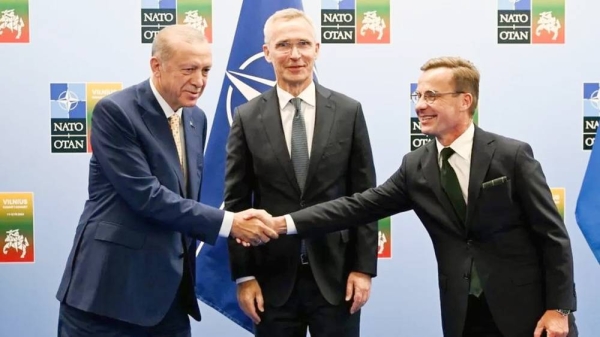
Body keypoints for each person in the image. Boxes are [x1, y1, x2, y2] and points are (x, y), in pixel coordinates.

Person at [257, 57, 578, 337]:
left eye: (431, 95)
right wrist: (284, 223)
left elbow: (552, 236)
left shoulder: (512, 156)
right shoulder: (417, 167)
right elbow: (357, 207)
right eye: (418, 95)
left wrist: (559, 309)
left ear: (465, 101)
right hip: (463, 317)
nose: (420, 105)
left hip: (533, 315)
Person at [55, 25, 277, 337]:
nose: (199, 81)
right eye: (188, 69)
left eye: (206, 70)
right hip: (107, 299)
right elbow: (147, 197)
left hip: (168, 299)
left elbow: (185, 199)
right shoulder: (116, 112)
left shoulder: (195, 118)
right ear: (156, 66)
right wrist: (230, 223)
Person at [225, 8, 378, 337]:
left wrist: (363, 268)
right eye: (283, 45)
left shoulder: (349, 112)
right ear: (267, 53)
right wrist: (244, 276)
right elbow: (237, 203)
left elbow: (365, 198)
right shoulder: (246, 117)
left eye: (303, 44)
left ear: (317, 49)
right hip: (272, 283)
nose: (295, 55)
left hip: (337, 280)